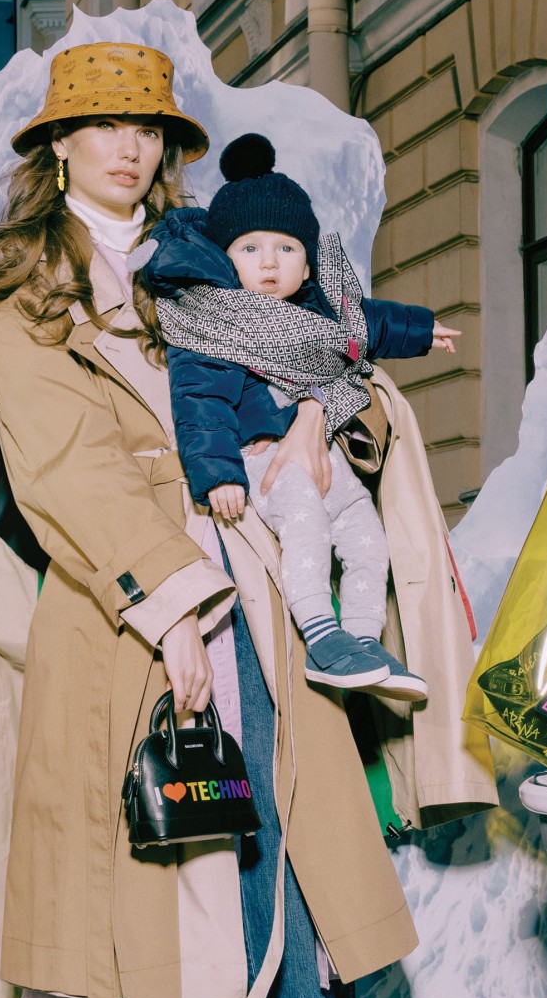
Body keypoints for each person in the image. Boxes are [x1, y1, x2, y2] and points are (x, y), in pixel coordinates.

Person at [0, 41, 482, 998]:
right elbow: (61, 467)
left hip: (267, 598)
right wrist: (170, 602)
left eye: (148, 126)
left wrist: (324, 423)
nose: (128, 145)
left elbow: (328, 365)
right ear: (56, 146)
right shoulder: (25, 291)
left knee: (287, 875)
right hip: (112, 616)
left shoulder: (213, 259)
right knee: (89, 903)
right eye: (103, 124)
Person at [141, 133, 460, 699]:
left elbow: (369, 322)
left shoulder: (322, 311)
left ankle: (362, 640)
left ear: (308, 262)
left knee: (368, 540)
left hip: (328, 458)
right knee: (306, 529)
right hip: (264, 463)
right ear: (224, 257)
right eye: (250, 248)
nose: (269, 262)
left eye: (286, 249)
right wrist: (219, 476)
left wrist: (422, 329)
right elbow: (199, 404)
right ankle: (320, 634)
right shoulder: (212, 322)